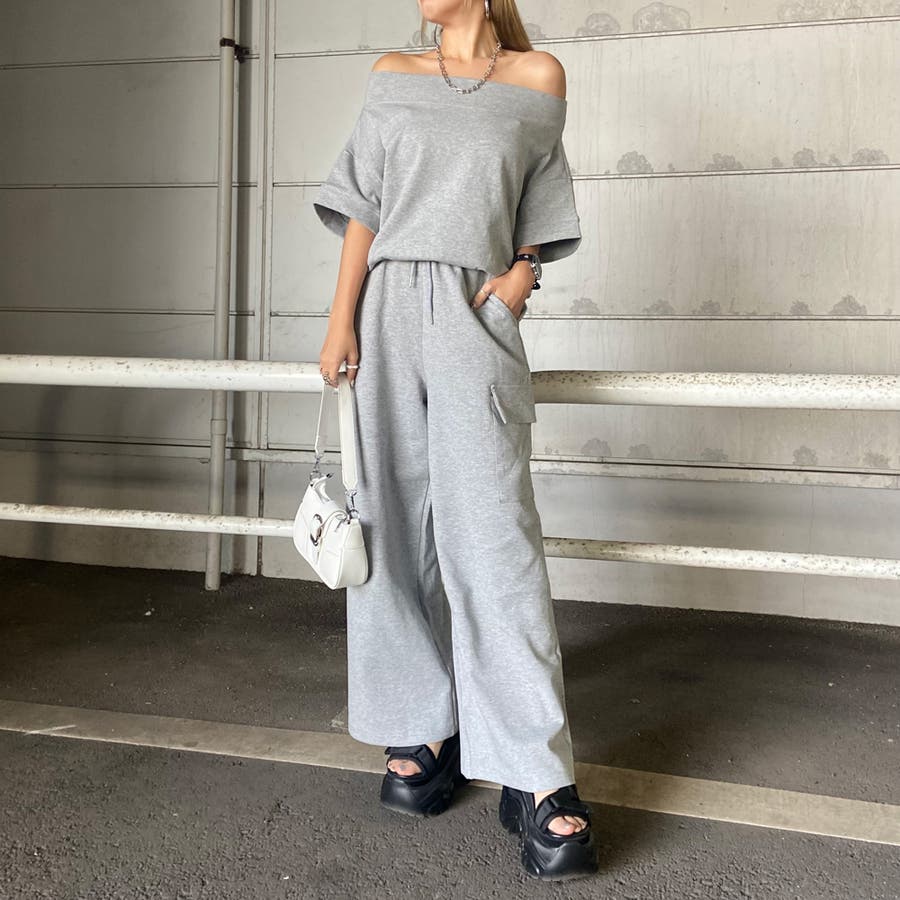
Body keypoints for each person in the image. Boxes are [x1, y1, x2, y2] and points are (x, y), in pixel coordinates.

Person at [314, 0, 598, 881]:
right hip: (385, 311)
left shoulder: (537, 77)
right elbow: (364, 204)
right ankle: (424, 729)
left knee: (495, 538)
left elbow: (540, 200)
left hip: (475, 312)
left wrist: (519, 278)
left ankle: (534, 773)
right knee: (388, 527)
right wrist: (340, 319)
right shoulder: (392, 76)